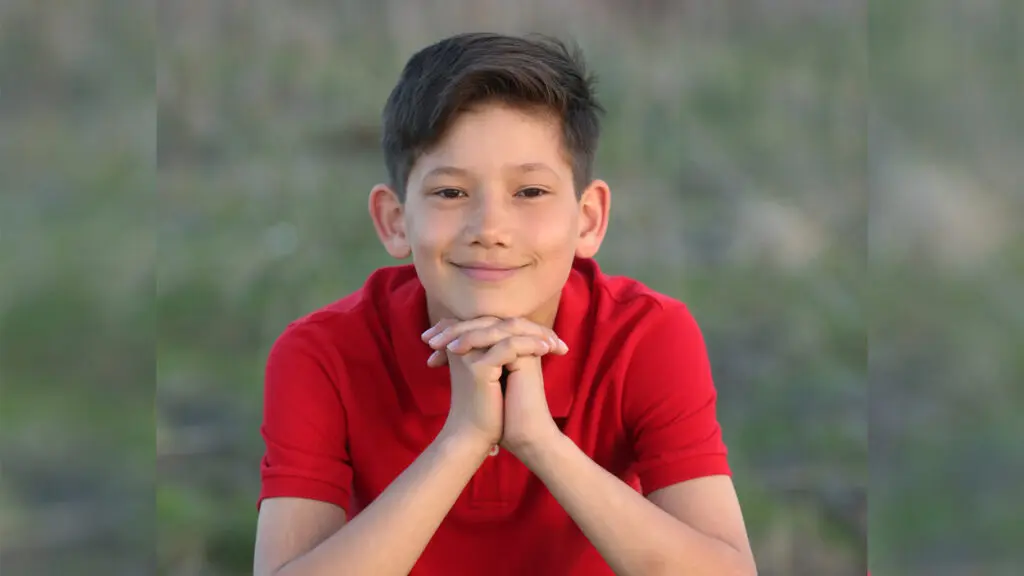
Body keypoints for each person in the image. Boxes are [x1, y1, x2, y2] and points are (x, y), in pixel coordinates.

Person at [253, 32, 756, 576]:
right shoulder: (323, 352)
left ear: (588, 219)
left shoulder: (646, 335)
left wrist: (540, 441)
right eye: (450, 193)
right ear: (395, 221)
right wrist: (463, 439)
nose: (490, 228)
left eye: (530, 192)